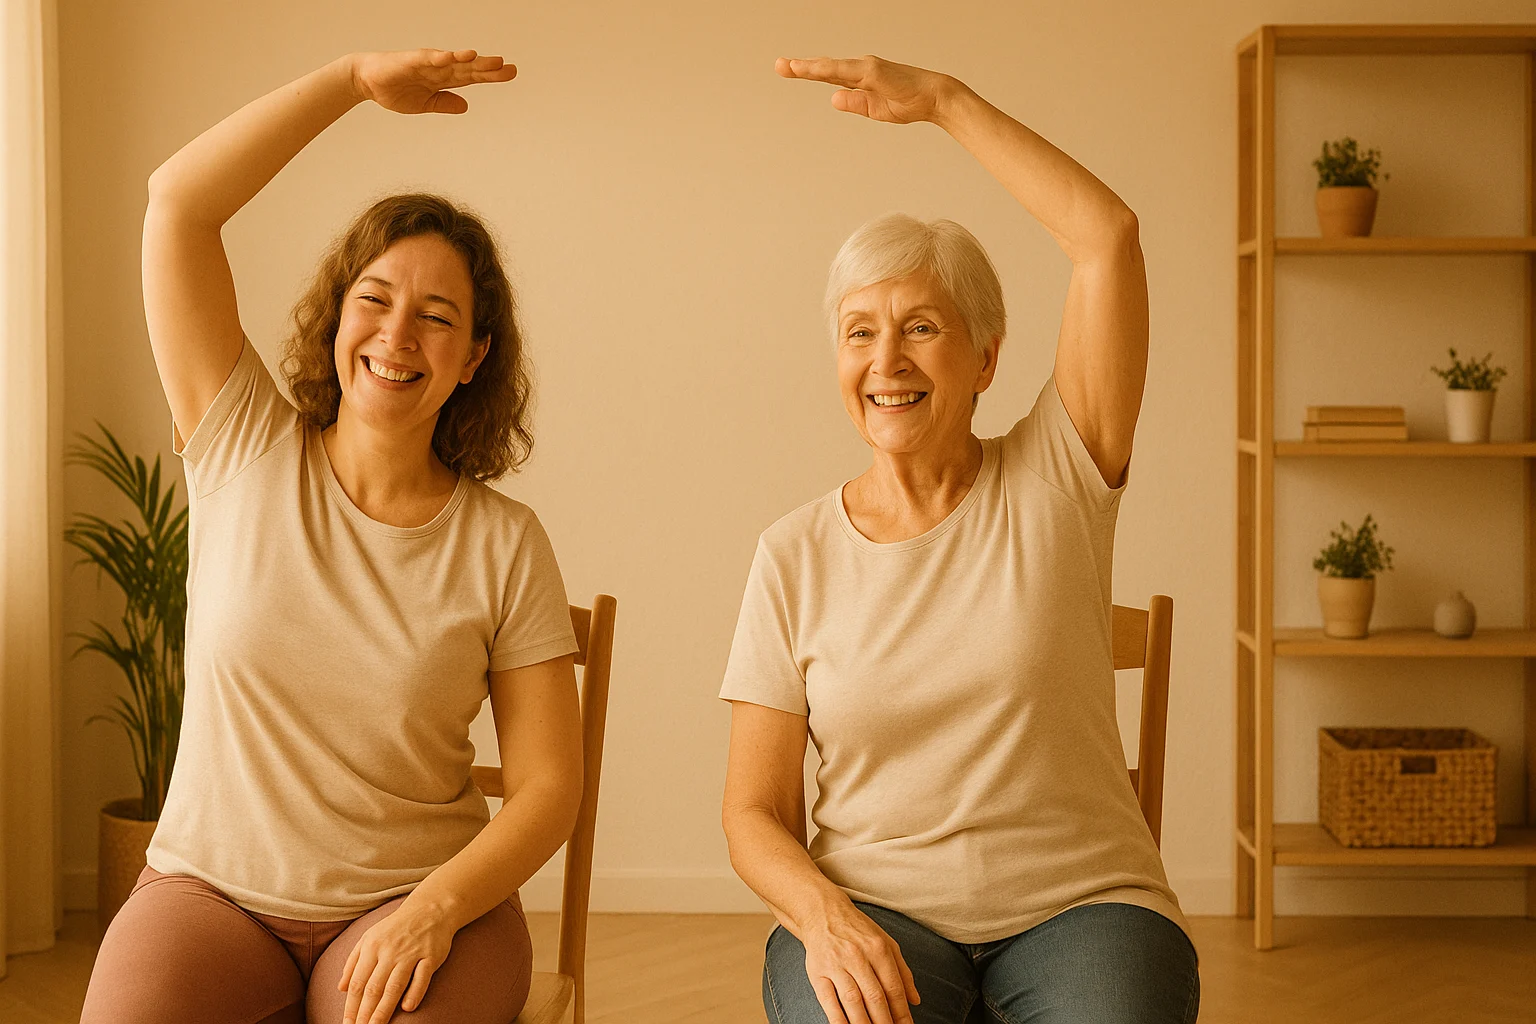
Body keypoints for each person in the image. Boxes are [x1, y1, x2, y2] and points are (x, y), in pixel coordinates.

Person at [81, 49, 584, 1024]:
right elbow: (178, 202)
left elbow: (547, 788)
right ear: (336, 315)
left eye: (438, 318)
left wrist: (436, 909)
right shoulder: (238, 444)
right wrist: (351, 83)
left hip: (421, 900)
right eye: (376, 300)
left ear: (475, 357)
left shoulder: (506, 542)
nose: (398, 336)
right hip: (210, 892)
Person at [720, 56, 1199, 1024]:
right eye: (859, 333)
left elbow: (1107, 238)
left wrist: (945, 104)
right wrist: (823, 914)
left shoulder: (1057, 477)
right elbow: (753, 813)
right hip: (876, 910)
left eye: (920, 327)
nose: (885, 361)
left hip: (1083, 906)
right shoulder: (791, 553)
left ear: (985, 357)